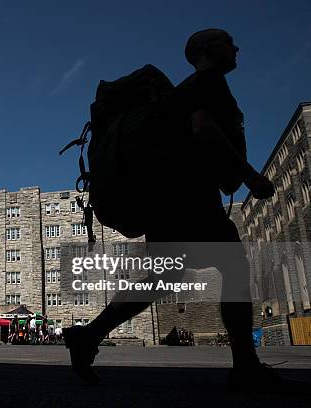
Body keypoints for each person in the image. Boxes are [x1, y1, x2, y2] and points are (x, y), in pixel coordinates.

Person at [63, 29, 293, 393]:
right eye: (225, 41)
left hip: (164, 201)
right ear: (203, 50)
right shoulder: (206, 83)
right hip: (187, 198)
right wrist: (250, 176)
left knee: (166, 276)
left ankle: (88, 335)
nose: (235, 47)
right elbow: (203, 129)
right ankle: (246, 367)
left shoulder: (185, 91)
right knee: (233, 265)